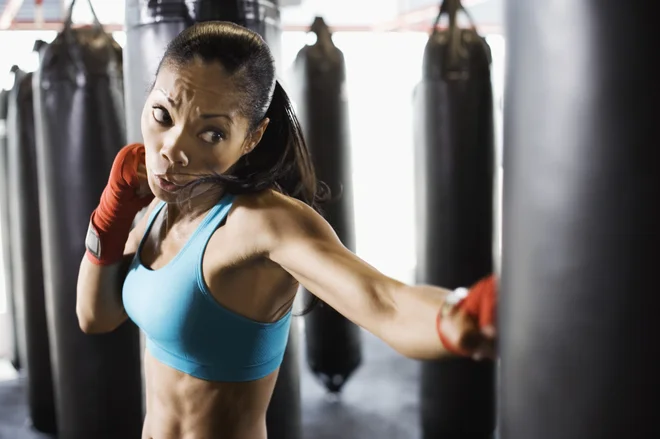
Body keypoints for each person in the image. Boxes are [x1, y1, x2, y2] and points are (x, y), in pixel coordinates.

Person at [76, 21, 497, 439]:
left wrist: (457, 316)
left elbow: (385, 302)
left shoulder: (262, 223)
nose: (171, 149)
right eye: (162, 114)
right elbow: (95, 317)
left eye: (212, 133)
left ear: (251, 138)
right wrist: (109, 216)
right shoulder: (155, 209)